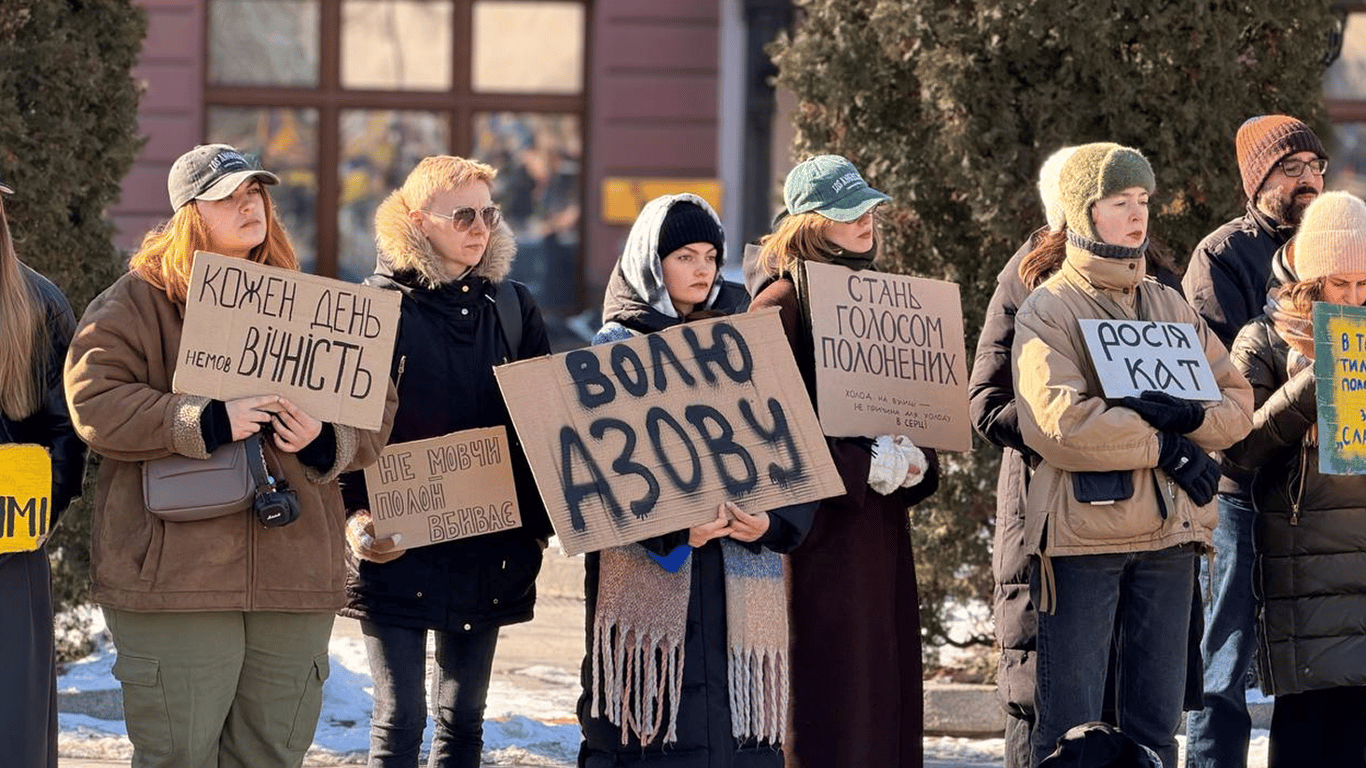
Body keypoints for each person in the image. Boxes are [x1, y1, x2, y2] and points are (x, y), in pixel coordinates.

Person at [64, 144, 396, 768]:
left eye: (256, 193)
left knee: (270, 755)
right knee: (178, 756)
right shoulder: (135, 302)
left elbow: (374, 406)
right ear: (190, 214)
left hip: (294, 575)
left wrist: (326, 439)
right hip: (176, 579)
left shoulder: (307, 303)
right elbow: (94, 401)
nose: (250, 206)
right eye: (229, 197)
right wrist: (205, 419)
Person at [1010, 142, 1253, 768]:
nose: (1138, 213)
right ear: (1083, 212)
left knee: (1157, 729)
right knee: (1070, 731)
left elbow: (1236, 406)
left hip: (1171, 538)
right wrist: (1165, 447)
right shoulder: (1049, 308)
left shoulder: (1170, 304)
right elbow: (1059, 423)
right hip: (1083, 541)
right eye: (1119, 201)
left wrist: (1191, 418)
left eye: (1143, 199)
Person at [576, 193, 815, 767]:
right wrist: (678, 532)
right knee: (651, 736)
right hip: (654, 588)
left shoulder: (748, 339)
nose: (702, 268)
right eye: (684, 256)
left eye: (710, 255)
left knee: (736, 740)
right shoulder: (614, 349)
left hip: (739, 586)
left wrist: (771, 523)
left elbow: (792, 454)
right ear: (649, 261)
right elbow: (599, 489)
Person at [337, 155, 554, 768]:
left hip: (488, 545)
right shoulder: (373, 308)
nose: (479, 227)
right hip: (395, 546)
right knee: (398, 722)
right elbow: (342, 433)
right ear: (416, 220)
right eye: (463, 215)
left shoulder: (513, 307)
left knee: (464, 726)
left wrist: (538, 526)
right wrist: (354, 519)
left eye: (489, 213)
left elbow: (544, 427)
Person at [748, 155, 940, 768]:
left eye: (869, 208)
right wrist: (861, 465)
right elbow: (769, 430)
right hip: (817, 538)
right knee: (832, 707)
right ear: (809, 223)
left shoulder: (887, 298)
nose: (865, 221)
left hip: (882, 534)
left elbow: (916, 404)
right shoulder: (779, 305)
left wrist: (918, 458)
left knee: (885, 701)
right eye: (847, 212)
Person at [1179, 114, 1327, 768]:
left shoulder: (1338, 247)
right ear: (1257, 181)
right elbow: (1218, 379)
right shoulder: (1221, 255)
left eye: (1315, 166)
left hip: (1320, 490)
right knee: (1225, 658)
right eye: (1291, 169)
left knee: (1317, 653)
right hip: (1239, 489)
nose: (1308, 180)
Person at [1223, 191, 1366, 768]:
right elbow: (1238, 447)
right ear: (1310, 282)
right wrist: (1315, 383)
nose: (1354, 298)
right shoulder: (1264, 339)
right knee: (1308, 728)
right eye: (1340, 284)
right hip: (1303, 563)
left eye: (1364, 284)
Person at [0, 175, 86, 768]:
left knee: (13, 731)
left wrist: (34, 515)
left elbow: (69, 431)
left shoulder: (38, 303)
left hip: (9, 550)